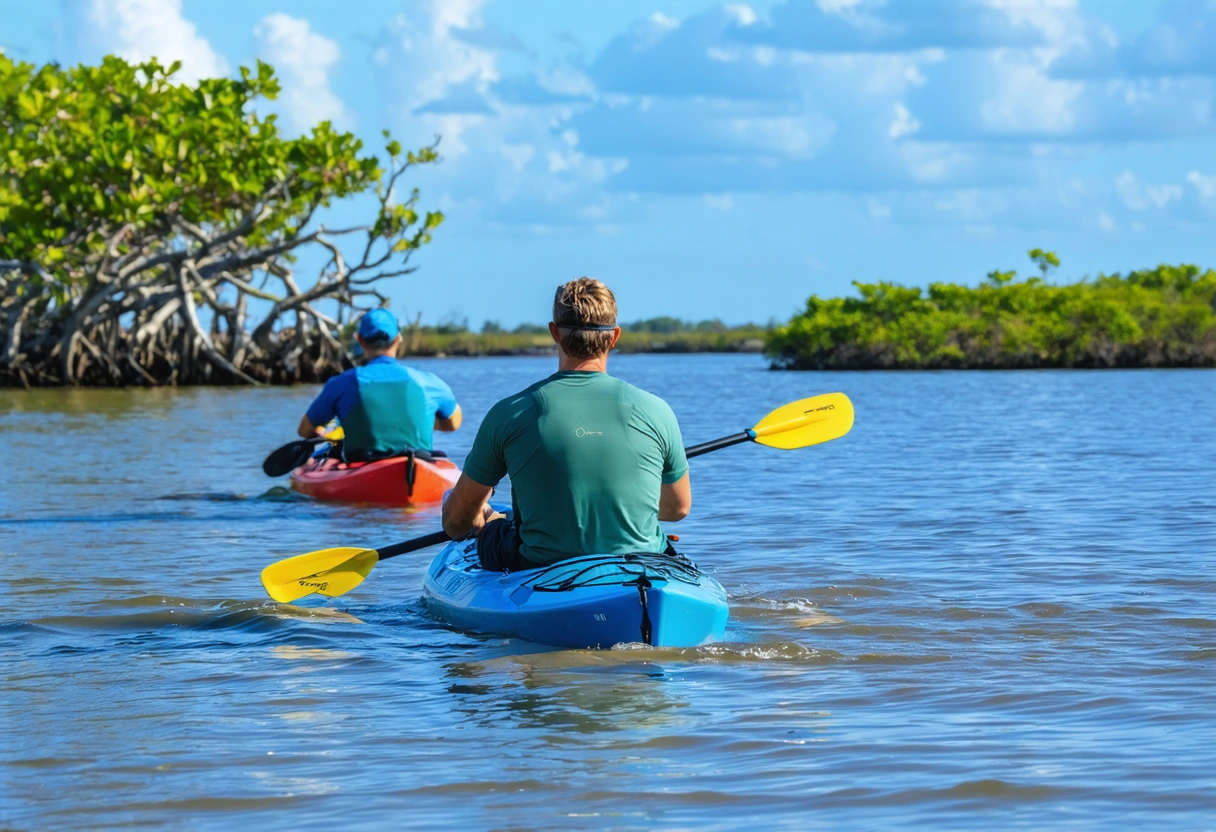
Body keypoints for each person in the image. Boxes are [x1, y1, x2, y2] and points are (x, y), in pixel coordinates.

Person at [442, 277, 690, 571]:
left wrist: (484, 519)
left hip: (541, 567)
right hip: (642, 564)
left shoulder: (510, 413)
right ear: (614, 337)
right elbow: (677, 509)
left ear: (554, 333)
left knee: (484, 520)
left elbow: (457, 524)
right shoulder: (656, 410)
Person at [298, 308, 462, 459]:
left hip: (362, 465)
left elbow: (304, 430)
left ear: (361, 340)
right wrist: (408, 420)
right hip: (416, 462)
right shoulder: (428, 381)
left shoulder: (340, 383)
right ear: (398, 339)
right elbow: (453, 423)